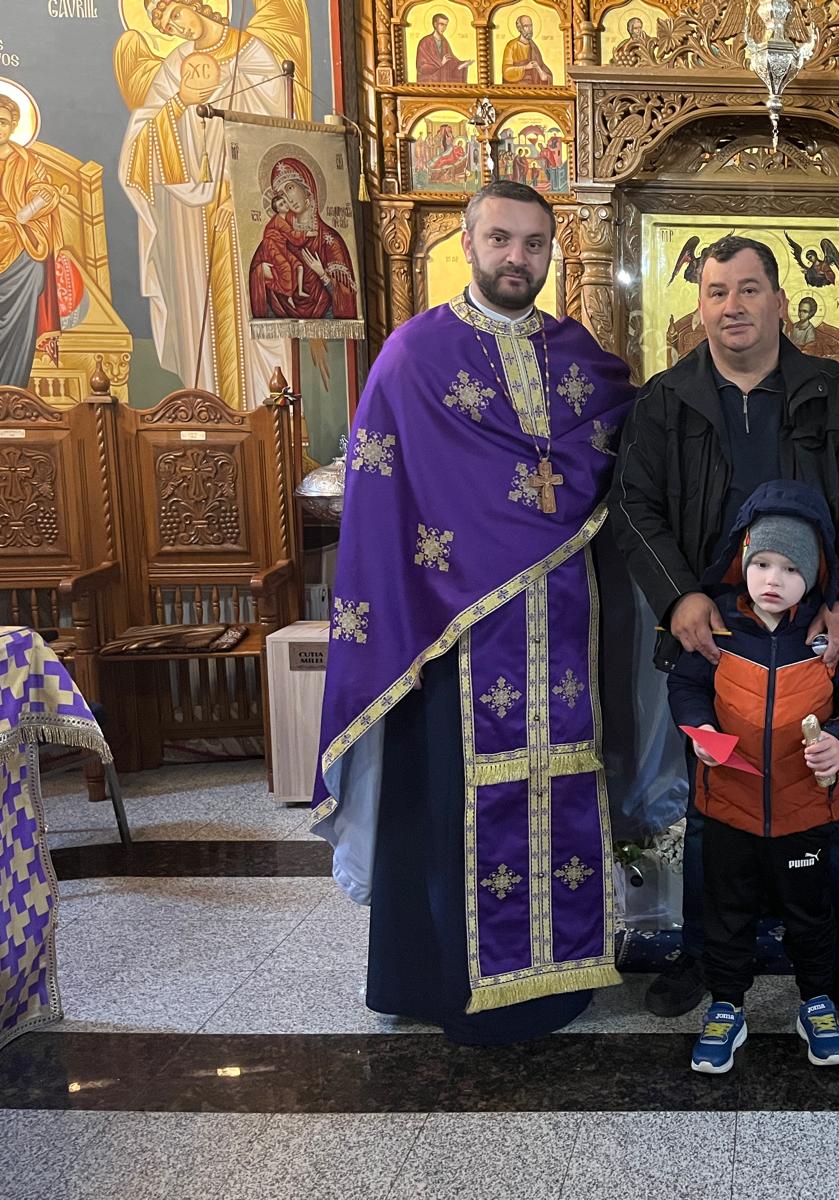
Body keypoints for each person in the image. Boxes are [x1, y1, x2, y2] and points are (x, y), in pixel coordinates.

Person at [310, 181, 633, 1043]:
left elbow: (625, 445)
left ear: (552, 251)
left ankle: (558, 973)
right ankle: (440, 982)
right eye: (500, 239)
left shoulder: (581, 360)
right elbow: (380, 506)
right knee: (448, 801)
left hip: (563, 625)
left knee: (564, 779)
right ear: (467, 244)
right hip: (449, 630)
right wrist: (397, 630)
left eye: (534, 243)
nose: (516, 258)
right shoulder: (414, 357)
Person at [610, 234, 839, 1029]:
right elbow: (634, 506)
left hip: (815, 635)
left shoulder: (838, 395)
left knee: (822, 806)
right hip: (715, 637)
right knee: (715, 813)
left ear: (778, 301)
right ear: (699, 305)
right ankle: (705, 960)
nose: (731, 306)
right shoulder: (665, 402)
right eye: (716, 291)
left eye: (747, 289)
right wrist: (678, 598)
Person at [667, 480, 839, 1073]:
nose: (773, 579)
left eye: (791, 568)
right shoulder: (717, 628)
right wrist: (699, 729)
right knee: (727, 911)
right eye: (762, 562)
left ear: (814, 574)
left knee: (811, 913)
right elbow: (687, 686)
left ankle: (816, 1001)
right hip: (728, 807)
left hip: (806, 812)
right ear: (742, 559)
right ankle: (726, 1005)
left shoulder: (830, 637)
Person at [115, 0, 303, 410]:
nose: (176, 28)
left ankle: (267, 412)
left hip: (249, 207)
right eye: (165, 25)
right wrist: (179, 102)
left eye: (175, 15)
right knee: (199, 314)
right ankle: (210, 412)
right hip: (191, 218)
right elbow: (141, 142)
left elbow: (276, 130)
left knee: (258, 304)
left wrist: (243, 192)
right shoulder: (175, 66)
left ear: (195, 4)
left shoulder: (253, 55)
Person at [247, 157, 358, 322]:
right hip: (286, 333)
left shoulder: (330, 241)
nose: (288, 199)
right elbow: (260, 292)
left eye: (290, 188)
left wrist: (322, 274)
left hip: (329, 330)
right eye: (281, 195)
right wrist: (261, 272)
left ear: (307, 186)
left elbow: (348, 300)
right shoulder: (275, 239)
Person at [0, 95, 60, 389]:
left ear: (13, 126)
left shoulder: (28, 161)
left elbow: (43, 191)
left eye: (2, 122)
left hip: (17, 237)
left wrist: (39, 201)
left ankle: (13, 385)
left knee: (34, 270)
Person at [416, 11, 471, 83]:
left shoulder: (444, 42)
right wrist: (441, 63)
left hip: (442, 81)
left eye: (445, 25)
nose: (444, 28)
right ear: (435, 24)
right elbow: (421, 67)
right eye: (441, 24)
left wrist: (462, 64)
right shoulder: (425, 42)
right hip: (430, 82)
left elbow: (451, 60)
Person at [502, 13, 554, 85]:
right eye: (526, 26)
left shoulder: (533, 47)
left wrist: (545, 75)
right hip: (517, 87)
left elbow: (542, 67)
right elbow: (506, 72)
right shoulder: (511, 46)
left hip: (533, 87)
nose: (530, 29)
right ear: (519, 28)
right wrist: (525, 67)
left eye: (531, 25)